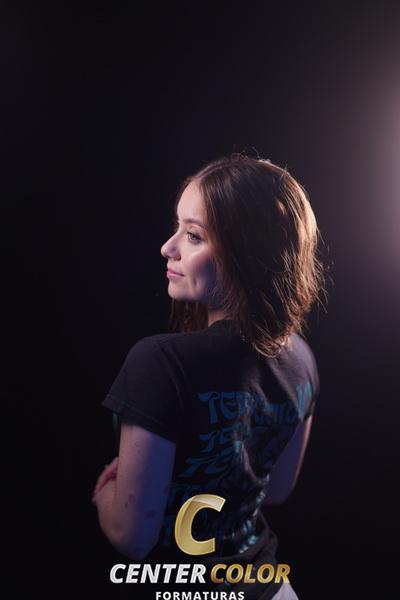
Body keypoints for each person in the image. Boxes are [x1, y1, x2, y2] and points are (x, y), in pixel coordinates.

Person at [92, 153, 326, 599]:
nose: (169, 247)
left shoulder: (160, 362)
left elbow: (132, 537)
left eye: (193, 235)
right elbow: (276, 488)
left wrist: (108, 493)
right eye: (178, 227)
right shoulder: (303, 359)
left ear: (246, 254)